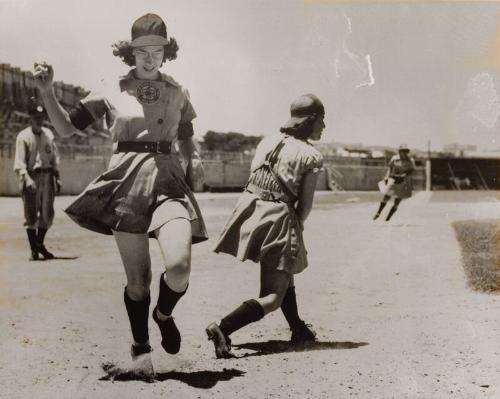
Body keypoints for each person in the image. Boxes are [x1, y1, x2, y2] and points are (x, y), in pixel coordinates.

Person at [33, 13, 207, 375]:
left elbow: (187, 134)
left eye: (156, 50)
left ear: (166, 52)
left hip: (168, 179)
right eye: (141, 50)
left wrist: (196, 159)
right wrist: (48, 92)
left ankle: (164, 314)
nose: (149, 56)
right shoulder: (112, 88)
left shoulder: (178, 91)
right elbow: (65, 129)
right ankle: (141, 351)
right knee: (138, 282)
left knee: (178, 267)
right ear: (131, 52)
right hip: (125, 181)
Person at [206, 94, 325, 358]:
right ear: (312, 120)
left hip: (249, 210)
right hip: (278, 216)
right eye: (322, 120)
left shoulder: (268, 141)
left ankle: (297, 328)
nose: (324, 127)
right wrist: (296, 228)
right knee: (272, 297)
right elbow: (304, 207)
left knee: (284, 272)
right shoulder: (311, 155)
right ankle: (223, 327)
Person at [13, 97, 61, 261]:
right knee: (31, 215)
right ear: (30, 119)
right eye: (36, 118)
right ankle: (34, 250)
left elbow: (54, 157)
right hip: (31, 176)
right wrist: (27, 179)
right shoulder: (24, 137)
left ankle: (38, 244)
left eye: (41, 118)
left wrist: (57, 177)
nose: (39, 120)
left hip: (47, 176)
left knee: (47, 214)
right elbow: (19, 163)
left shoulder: (48, 134)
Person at [373, 144, 416, 221]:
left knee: (397, 200)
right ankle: (378, 212)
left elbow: (412, 170)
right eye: (403, 151)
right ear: (399, 151)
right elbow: (390, 168)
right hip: (393, 179)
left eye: (406, 151)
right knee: (387, 197)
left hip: (403, 181)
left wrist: (405, 174)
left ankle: (388, 218)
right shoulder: (395, 158)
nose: (405, 153)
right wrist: (386, 177)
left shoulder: (410, 160)